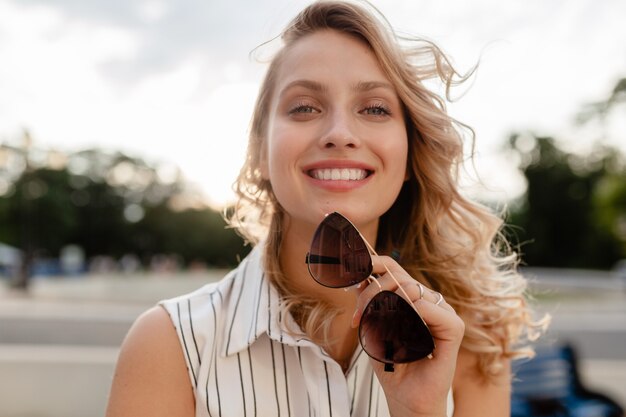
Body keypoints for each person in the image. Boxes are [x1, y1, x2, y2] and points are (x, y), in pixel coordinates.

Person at [106, 1, 546, 416]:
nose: (340, 133)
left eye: (374, 108)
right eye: (304, 107)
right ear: (260, 153)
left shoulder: (471, 339)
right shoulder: (170, 344)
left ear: (411, 154)